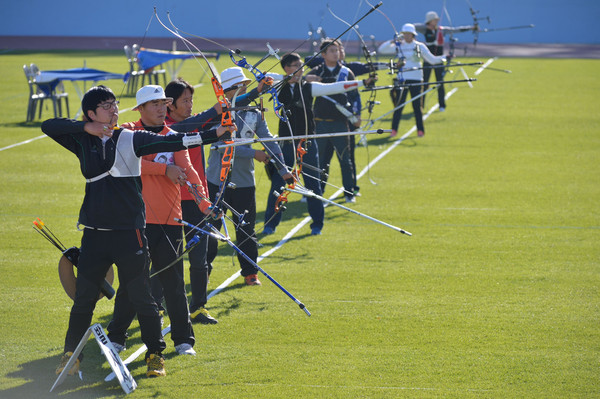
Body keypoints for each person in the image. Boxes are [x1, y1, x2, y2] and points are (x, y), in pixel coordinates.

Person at [41, 85, 230, 378]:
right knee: (85, 299)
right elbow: (48, 125)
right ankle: (70, 356)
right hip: (95, 232)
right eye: (106, 106)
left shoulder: (131, 137)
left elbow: (179, 139)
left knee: (142, 297)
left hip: (129, 232)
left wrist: (216, 133)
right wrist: (88, 128)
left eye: (115, 105)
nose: (114, 110)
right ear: (91, 113)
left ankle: (155, 354)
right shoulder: (82, 139)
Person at [107, 85, 220, 357]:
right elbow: (124, 164)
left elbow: (190, 171)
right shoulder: (128, 131)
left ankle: (183, 341)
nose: (161, 108)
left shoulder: (173, 136)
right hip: (136, 221)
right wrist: (164, 169)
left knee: (173, 283)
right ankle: (116, 338)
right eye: (155, 104)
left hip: (171, 220)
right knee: (133, 281)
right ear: (141, 109)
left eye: (163, 103)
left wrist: (204, 203)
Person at [262, 52, 375, 236]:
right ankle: (270, 224)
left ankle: (317, 224)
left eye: (301, 65)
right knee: (279, 182)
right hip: (286, 142)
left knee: (313, 183)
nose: (299, 69)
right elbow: (263, 76)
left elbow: (337, 87)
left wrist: (363, 83)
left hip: (307, 142)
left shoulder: (309, 87)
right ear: (286, 68)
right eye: (294, 66)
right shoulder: (277, 85)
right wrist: (288, 78)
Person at [205, 67, 293, 286]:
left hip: (244, 182)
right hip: (216, 180)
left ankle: (250, 272)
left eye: (245, 85)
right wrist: (253, 152)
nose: (245, 89)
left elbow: (268, 140)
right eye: (240, 86)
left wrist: (283, 169)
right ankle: (203, 271)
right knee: (211, 231)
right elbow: (221, 144)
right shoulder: (218, 113)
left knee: (246, 229)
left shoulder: (254, 113)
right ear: (227, 91)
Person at [164, 78, 219, 324]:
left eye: (191, 100)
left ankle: (198, 307)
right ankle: (158, 306)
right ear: (169, 105)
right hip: (171, 201)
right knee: (168, 258)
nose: (189, 105)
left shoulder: (195, 121)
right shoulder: (164, 127)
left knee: (200, 258)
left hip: (197, 201)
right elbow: (189, 127)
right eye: (184, 101)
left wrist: (250, 95)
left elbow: (219, 118)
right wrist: (217, 110)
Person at [308, 39, 360, 204]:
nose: (335, 53)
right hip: (320, 122)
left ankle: (349, 192)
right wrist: (307, 79)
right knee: (321, 160)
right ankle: (319, 192)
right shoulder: (315, 72)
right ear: (323, 54)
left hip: (340, 122)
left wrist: (357, 115)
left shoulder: (346, 72)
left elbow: (355, 96)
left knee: (345, 159)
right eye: (331, 50)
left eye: (337, 50)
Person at [378, 23, 446, 138]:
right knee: (399, 106)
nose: (407, 36)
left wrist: (444, 58)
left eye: (409, 34)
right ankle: (394, 130)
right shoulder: (398, 45)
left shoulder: (419, 46)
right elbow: (381, 50)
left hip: (416, 79)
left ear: (413, 35)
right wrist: (392, 40)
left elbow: (432, 60)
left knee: (417, 107)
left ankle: (420, 131)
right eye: (405, 34)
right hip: (402, 79)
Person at [414, 11, 479, 111]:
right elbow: (412, 26)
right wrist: (427, 26)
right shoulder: (424, 29)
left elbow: (456, 30)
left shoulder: (441, 30)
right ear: (429, 21)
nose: (436, 21)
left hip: (439, 60)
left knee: (440, 83)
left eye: (436, 20)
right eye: (434, 20)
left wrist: (472, 28)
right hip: (427, 60)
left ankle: (442, 105)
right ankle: (420, 106)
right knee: (425, 83)